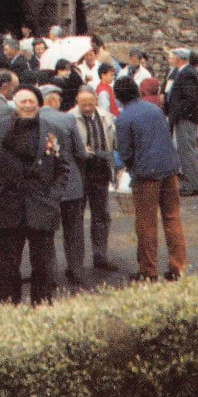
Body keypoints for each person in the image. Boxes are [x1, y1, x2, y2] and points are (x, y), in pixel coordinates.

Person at [0, 86, 69, 306]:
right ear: (14, 103)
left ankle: (42, 306)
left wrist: (53, 196)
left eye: (31, 101)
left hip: (42, 207)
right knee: (6, 265)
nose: (27, 105)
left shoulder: (52, 130)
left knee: (43, 265)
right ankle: (7, 307)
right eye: (23, 101)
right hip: (8, 207)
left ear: (39, 104)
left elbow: (64, 168)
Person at [113, 76, 186, 282]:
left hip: (146, 173)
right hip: (169, 167)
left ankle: (148, 270)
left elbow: (125, 152)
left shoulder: (124, 118)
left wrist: (129, 167)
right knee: (172, 217)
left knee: (146, 222)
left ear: (118, 96)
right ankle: (178, 267)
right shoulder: (154, 109)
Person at [40, 86, 88, 288]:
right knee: (74, 228)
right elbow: (81, 152)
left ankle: (48, 273)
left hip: (45, 184)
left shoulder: (35, 121)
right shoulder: (68, 120)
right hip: (70, 181)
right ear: (54, 101)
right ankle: (76, 269)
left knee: (46, 232)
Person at [70, 86, 116, 271]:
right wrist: (80, 151)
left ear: (96, 101)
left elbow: (112, 141)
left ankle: (101, 256)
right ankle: (76, 263)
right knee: (76, 218)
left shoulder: (105, 116)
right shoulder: (70, 118)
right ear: (77, 102)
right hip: (81, 171)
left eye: (90, 104)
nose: (87, 108)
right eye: (83, 105)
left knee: (102, 216)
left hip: (100, 170)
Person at [163, 47, 198, 196]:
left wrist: (178, 114)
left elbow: (190, 99)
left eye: (173, 56)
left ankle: (193, 184)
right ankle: (191, 183)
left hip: (185, 118)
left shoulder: (187, 74)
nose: (171, 59)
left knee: (187, 151)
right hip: (183, 117)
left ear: (179, 58)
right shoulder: (184, 72)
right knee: (184, 150)